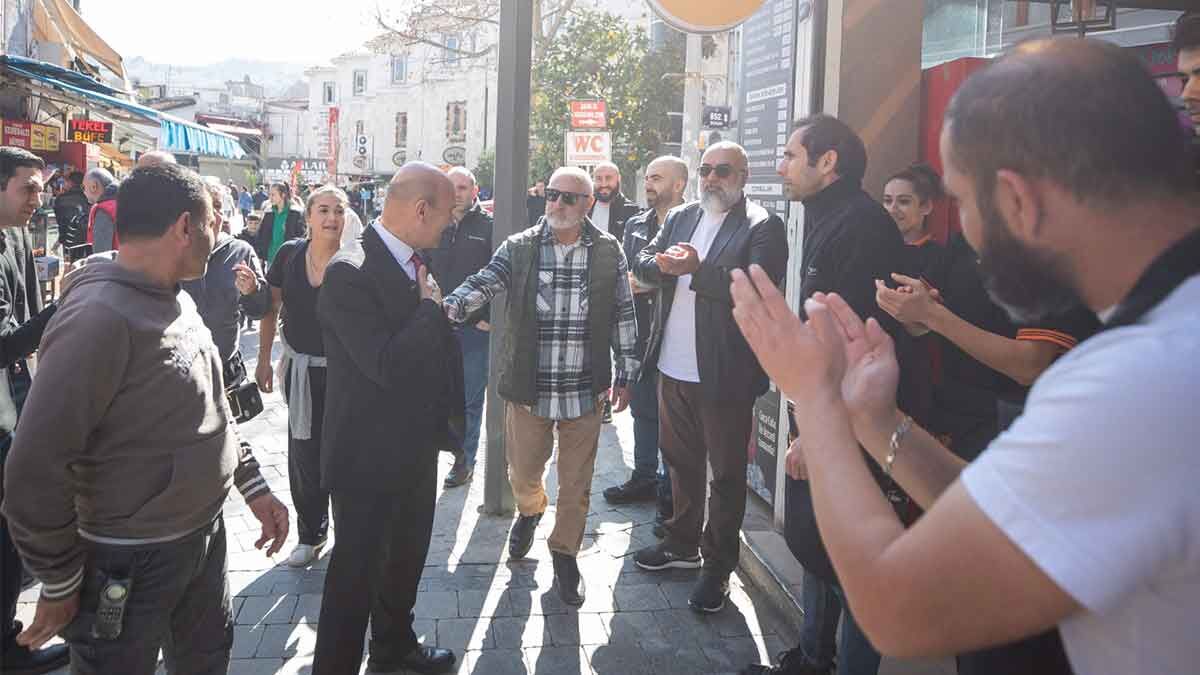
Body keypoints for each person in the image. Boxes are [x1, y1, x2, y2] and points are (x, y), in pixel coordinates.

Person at [730, 38, 1200, 675]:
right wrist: (875, 420)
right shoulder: (1162, 331)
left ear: (1016, 200)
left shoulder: (1141, 377)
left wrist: (815, 401)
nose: (967, 231)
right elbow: (1007, 513)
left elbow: (902, 610)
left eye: (964, 201)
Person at [1, 163, 289, 675]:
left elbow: (213, 405)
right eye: (210, 221)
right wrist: (61, 580)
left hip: (200, 542)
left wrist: (253, 486)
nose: (217, 233)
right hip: (128, 564)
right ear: (184, 226)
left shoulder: (177, 296)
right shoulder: (99, 317)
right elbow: (32, 471)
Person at [743, 115, 928, 675]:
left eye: (792, 155)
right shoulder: (831, 217)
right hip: (828, 414)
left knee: (852, 563)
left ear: (829, 163)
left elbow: (854, 342)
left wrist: (825, 427)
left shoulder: (861, 226)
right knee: (820, 548)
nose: (781, 167)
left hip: (853, 420)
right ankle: (812, 658)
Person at [444, 166, 639, 607]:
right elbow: (485, 281)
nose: (558, 204)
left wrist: (626, 372)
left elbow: (624, 314)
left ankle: (565, 553)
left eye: (569, 198)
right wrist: (449, 307)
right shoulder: (520, 247)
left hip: (585, 392)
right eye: (552, 195)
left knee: (577, 483)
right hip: (529, 389)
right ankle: (530, 511)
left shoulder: (609, 252)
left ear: (588, 204)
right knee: (524, 474)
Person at [312, 163, 460, 674]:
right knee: (355, 576)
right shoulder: (348, 271)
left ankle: (394, 647)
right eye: (446, 214)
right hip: (365, 459)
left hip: (414, 450)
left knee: (404, 563)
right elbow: (386, 364)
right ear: (421, 210)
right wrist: (426, 310)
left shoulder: (415, 262)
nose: (449, 225)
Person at [629, 141, 788, 614]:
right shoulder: (681, 217)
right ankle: (681, 544)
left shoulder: (762, 224)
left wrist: (698, 271)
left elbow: (758, 289)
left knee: (726, 476)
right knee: (679, 462)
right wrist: (657, 265)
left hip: (724, 373)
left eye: (723, 170)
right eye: (706, 170)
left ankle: (718, 567)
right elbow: (641, 261)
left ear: (743, 175)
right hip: (671, 365)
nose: (712, 178)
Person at [0, 147, 68, 674]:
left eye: (41, 188)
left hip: (17, 397)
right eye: (27, 187)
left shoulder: (22, 235)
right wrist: (64, 308)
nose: (37, 198)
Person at [255, 185, 347, 568]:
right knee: (304, 454)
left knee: (344, 455)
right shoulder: (290, 255)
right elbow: (270, 307)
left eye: (338, 211)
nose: (331, 218)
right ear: (307, 216)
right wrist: (262, 358)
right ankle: (311, 535)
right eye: (323, 210)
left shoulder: (356, 259)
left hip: (347, 377)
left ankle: (350, 534)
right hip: (300, 372)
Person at [600, 156, 687, 524]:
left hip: (676, 333)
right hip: (640, 331)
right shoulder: (636, 223)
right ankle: (644, 477)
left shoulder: (693, 221)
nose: (649, 184)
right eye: (648, 177)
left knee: (674, 419)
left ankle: (671, 490)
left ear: (679, 184)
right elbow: (628, 272)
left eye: (657, 178)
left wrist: (649, 280)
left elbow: (677, 275)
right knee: (642, 410)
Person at [426, 167, 493, 488]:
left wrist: (488, 317)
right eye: (453, 188)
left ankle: (465, 460)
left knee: (469, 398)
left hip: (473, 330)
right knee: (438, 392)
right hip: (435, 326)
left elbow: (501, 271)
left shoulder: (489, 226)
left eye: (464, 187)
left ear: (475, 190)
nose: (459, 193)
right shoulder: (434, 224)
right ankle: (442, 449)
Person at [257, 182, 305, 267]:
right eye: (269, 194)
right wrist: (260, 256)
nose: (270, 198)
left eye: (273, 195)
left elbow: (301, 237)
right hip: (271, 259)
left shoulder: (295, 213)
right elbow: (263, 236)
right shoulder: (268, 213)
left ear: (283, 195)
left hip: (290, 259)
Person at [82, 167, 118, 253]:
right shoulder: (124, 202)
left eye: (84, 187)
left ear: (94, 186)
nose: (83, 192)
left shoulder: (104, 210)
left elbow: (101, 255)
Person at [52, 170, 89, 252]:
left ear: (70, 182)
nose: (64, 184)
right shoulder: (88, 198)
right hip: (86, 240)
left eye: (65, 181)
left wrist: (60, 241)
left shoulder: (60, 199)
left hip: (69, 241)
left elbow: (61, 224)